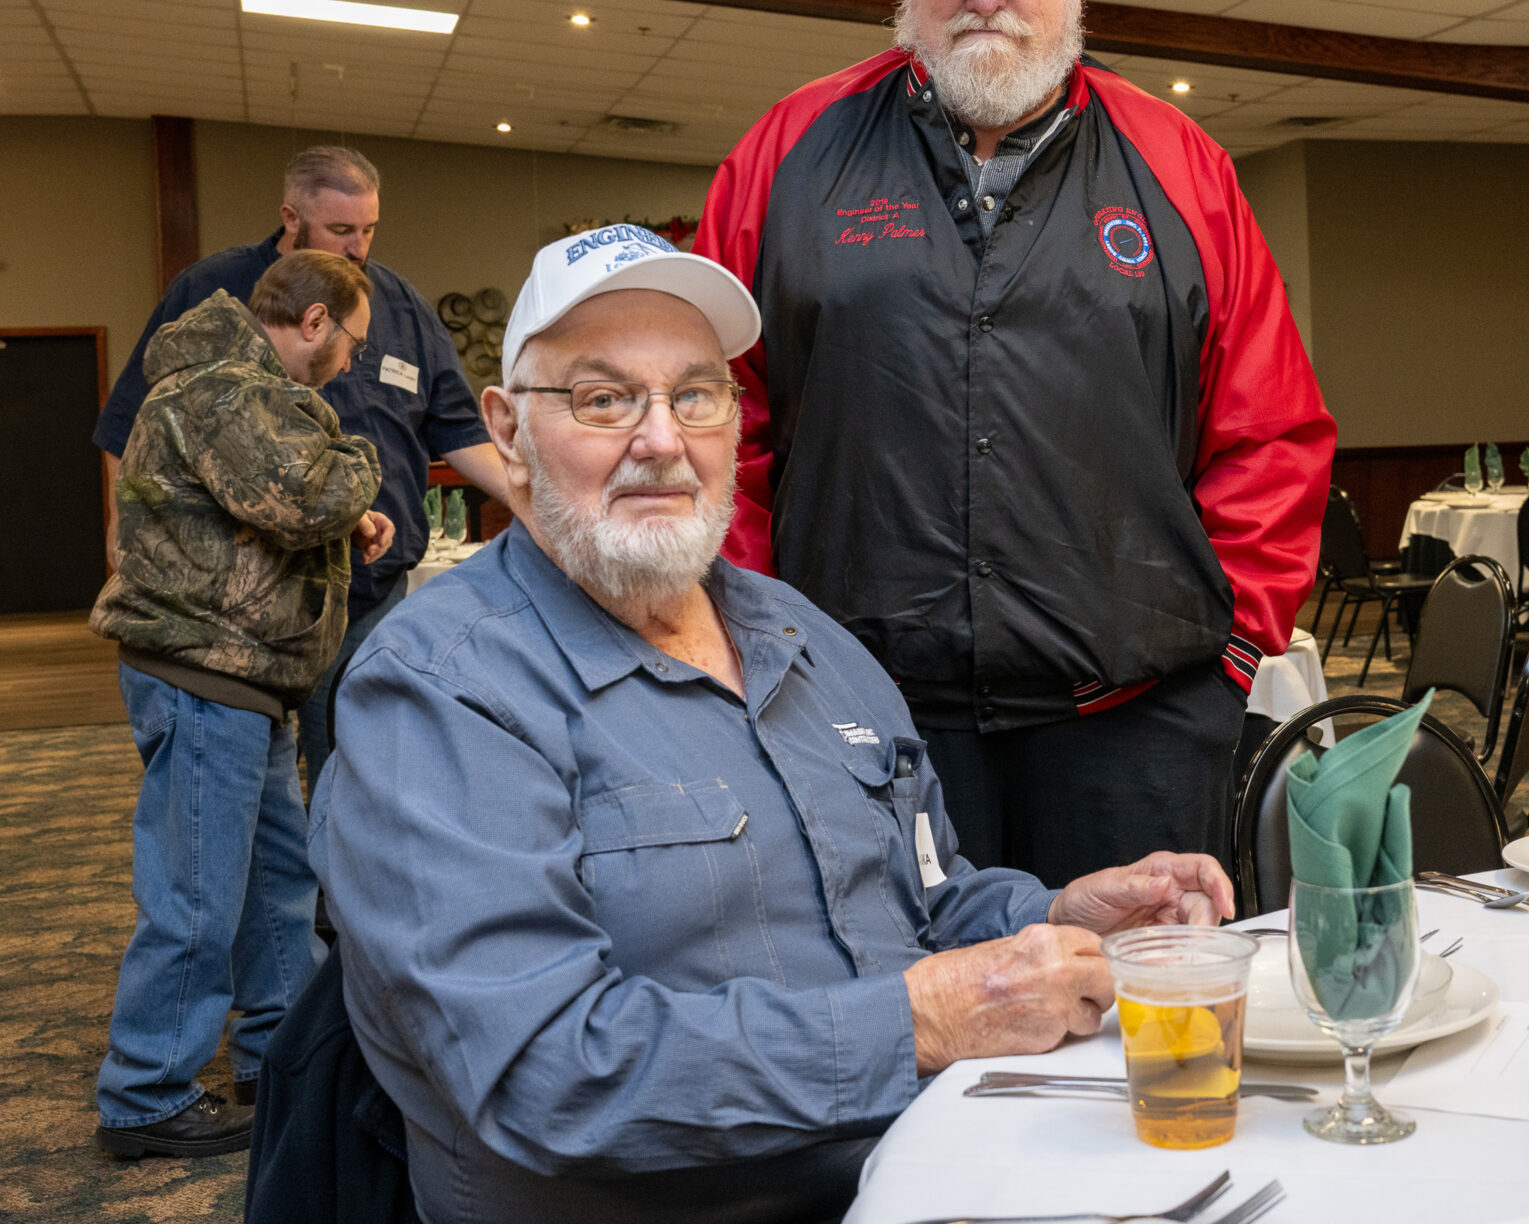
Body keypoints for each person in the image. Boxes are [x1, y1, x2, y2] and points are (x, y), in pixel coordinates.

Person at [307, 225, 1234, 1224]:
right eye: (603, 398)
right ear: (507, 431)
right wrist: (919, 1024)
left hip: (936, 1172)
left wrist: (1054, 921)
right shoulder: (441, 691)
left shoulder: (806, 638)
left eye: (695, 395)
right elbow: (545, 1072)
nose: (661, 441)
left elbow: (922, 899)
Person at [691, 0, 1336, 886]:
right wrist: (757, 638)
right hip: (863, 716)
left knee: (1132, 990)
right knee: (904, 987)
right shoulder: (789, 153)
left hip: (1136, 725)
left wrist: (1232, 652)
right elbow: (715, 416)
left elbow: (1272, 433)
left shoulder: (1182, 165)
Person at [91, 251, 393, 1159]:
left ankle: (279, 1053)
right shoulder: (226, 390)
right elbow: (306, 494)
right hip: (205, 673)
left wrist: (345, 516)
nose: (351, 360)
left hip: (243, 678)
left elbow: (269, 508)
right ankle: (145, 1092)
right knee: (196, 892)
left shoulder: (237, 393)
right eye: (352, 341)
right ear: (314, 321)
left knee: (274, 884)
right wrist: (362, 463)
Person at [94, 145, 504, 783]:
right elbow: (132, 420)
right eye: (341, 230)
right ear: (291, 217)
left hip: (370, 586)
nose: (358, 248)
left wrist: (536, 503)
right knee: (244, 778)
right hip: (244, 605)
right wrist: (124, 526)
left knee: (360, 769)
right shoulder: (215, 289)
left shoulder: (399, 304)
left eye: (369, 229)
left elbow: (457, 428)